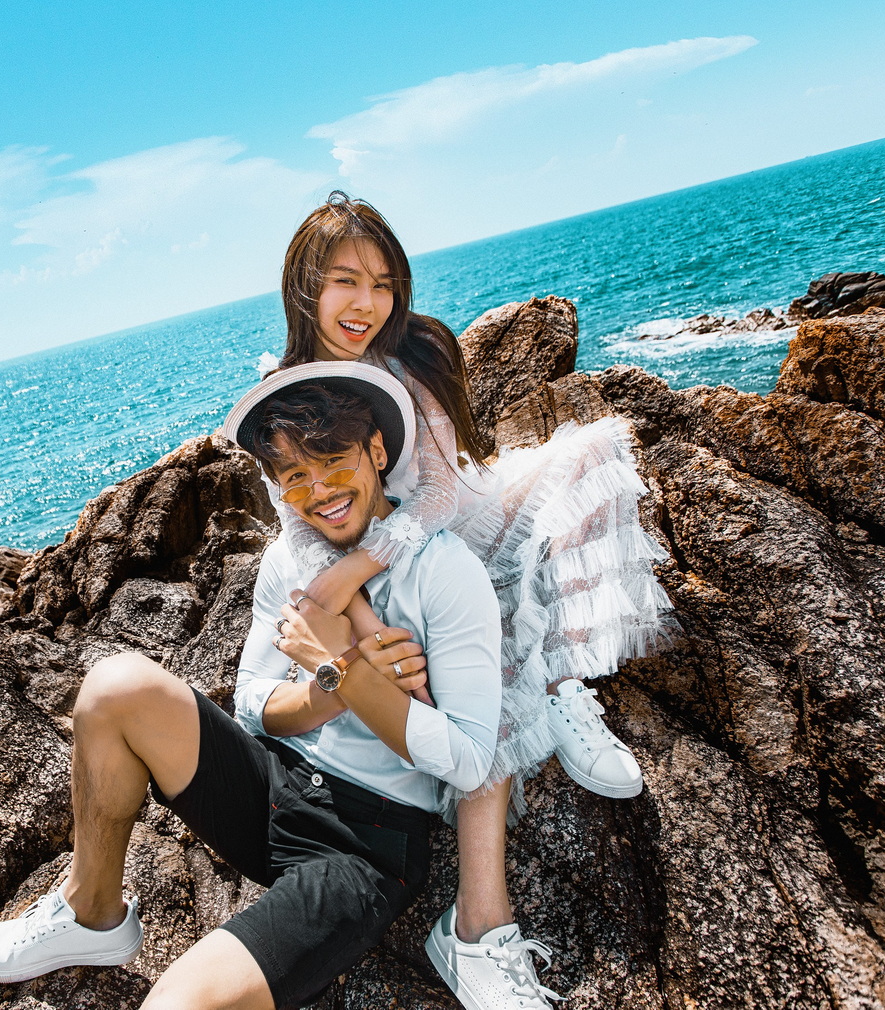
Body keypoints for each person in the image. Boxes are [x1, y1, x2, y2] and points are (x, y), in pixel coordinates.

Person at [0, 368, 562, 1009]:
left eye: (334, 462)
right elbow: (252, 702)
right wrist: (336, 682)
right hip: (272, 783)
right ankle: (92, 913)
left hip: (363, 845)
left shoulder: (443, 573)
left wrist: (340, 663)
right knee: (116, 686)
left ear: (377, 451)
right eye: (295, 476)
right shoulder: (289, 560)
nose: (320, 491)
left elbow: (469, 760)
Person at [260, 192, 677, 1009]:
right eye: (346, 281)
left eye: (383, 284)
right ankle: (478, 929)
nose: (367, 304)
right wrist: (363, 619)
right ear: (304, 286)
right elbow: (297, 522)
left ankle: (558, 688)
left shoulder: (409, 355)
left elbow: (442, 494)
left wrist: (358, 568)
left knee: (586, 463)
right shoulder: (282, 387)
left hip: (444, 525)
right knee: (468, 646)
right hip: (395, 572)